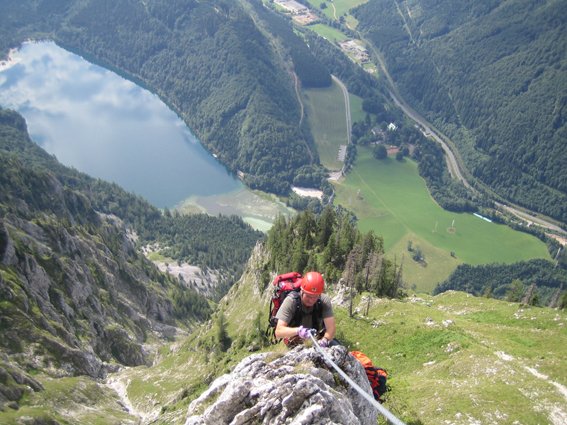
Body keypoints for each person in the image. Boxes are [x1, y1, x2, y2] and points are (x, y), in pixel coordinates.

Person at [275, 271, 336, 347]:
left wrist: (325, 340)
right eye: (308, 296)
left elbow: (331, 329)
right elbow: (278, 332)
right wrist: (299, 331)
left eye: (315, 296)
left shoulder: (323, 301)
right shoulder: (291, 301)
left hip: (318, 340)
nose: (311, 300)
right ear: (302, 291)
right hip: (295, 342)